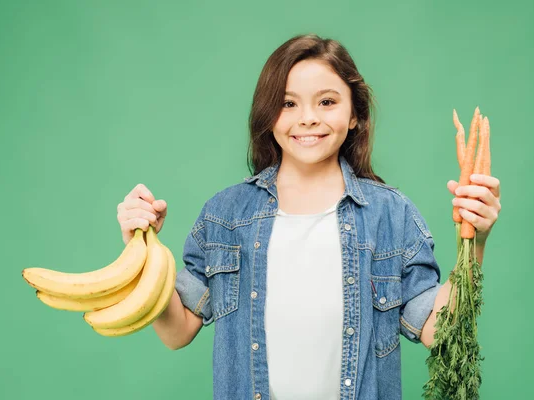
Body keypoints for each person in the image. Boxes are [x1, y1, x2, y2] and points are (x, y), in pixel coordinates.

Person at [115, 34, 501, 400]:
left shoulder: (390, 215)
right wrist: (144, 251)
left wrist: (475, 240)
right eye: (288, 103)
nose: (308, 118)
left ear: (355, 116)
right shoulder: (226, 214)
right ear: (269, 116)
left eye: (327, 102)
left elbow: (441, 332)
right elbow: (176, 331)